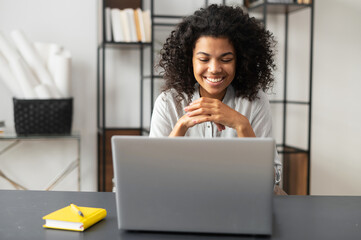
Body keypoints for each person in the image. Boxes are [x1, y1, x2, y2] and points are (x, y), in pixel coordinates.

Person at [149, 4, 284, 192]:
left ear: (241, 60)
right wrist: (181, 126)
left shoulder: (255, 101)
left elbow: (270, 184)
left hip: (239, 201)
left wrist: (241, 124)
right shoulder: (168, 102)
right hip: (183, 200)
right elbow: (152, 180)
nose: (214, 69)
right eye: (204, 59)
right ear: (190, 60)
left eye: (226, 59)